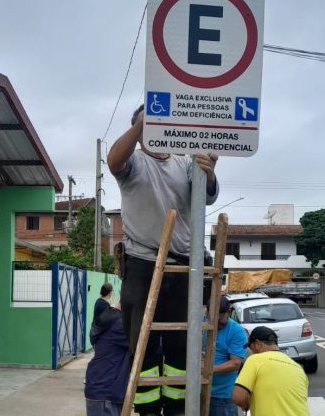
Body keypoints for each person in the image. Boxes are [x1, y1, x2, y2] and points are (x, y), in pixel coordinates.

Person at [107, 104, 219, 416]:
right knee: (141, 342)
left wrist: (209, 172)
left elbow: (207, 194)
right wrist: (142, 124)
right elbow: (114, 159)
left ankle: (175, 406)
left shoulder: (184, 162)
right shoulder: (134, 162)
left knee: (179, 344)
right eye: (149, 126)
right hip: (142, 263)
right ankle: (147, 408)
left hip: (182, 263)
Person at [232, 326, 309, 416]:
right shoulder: (297, 367)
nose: (252, 352)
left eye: (251, 348)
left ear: (257, 344)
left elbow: (238, 397)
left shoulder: (255, 359)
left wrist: (246, 405)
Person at [85, 303, 130, 416]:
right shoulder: (120, 325)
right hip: (105, 394)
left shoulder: (109, 318)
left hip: (101, 389)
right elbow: (149, 343)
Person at [208, 296, 247, 416]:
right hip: (199, 391)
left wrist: (209, 369)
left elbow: (235, 363)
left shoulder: (237, 331)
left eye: (221, 320)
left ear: (229, 313)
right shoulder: (202, 323)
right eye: (213, 320)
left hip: (222, 396)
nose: (217, 324)